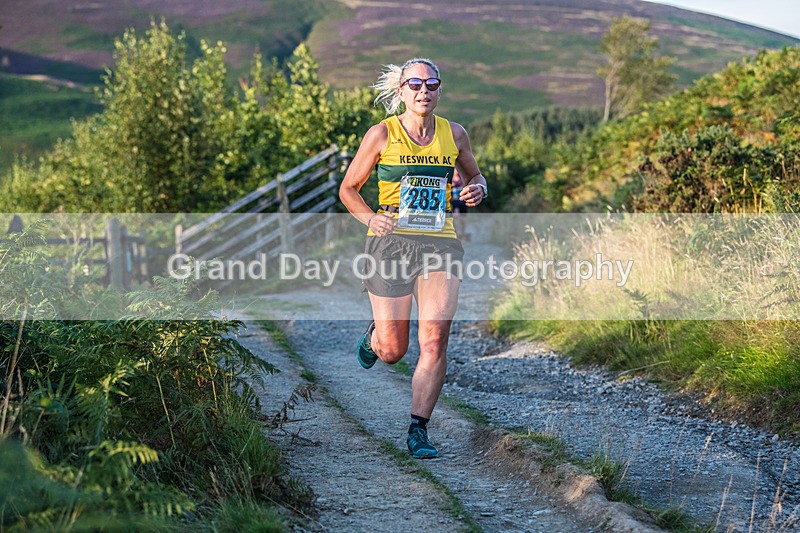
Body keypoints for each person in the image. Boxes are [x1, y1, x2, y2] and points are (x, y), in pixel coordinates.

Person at [338, 58, 488, 459]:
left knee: (435, 339)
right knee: (393, 351)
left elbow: (475, 176)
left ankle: (418, 429)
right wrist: (371, 218)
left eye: (432, 84)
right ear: (401, 90)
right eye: (416, 84)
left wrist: (478, 188)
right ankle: (375, 337)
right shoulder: (381, 134)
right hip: (390, 244)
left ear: (439, 90)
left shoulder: (455, 134)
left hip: (440, 244)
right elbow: (348, 189)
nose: (424, 91)